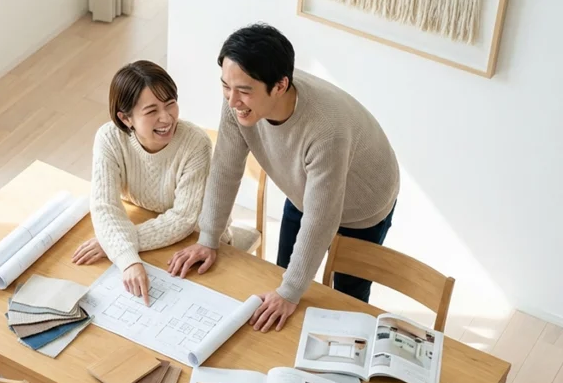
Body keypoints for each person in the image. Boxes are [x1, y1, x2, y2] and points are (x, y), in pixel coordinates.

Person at [168, 23, 400, 332]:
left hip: (365, 203)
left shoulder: (326, 130)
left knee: (347, 300)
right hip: (305, 191)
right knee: (282, 280)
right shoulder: (239, 101)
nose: (232, 100)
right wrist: (208, 238)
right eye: (226, 86)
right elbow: (225, 168)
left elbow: (321, 219)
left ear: (279, 86)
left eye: (244, 91)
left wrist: (290, 292)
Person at [73, 60, 230, 303]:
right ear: (126, 118)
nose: (166, 118)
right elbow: (105, 206)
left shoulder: (195, 143)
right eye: (151, 111)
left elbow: (184, 219)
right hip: (147, 228)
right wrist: (125, 256)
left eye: (170, 104)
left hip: (197, 240)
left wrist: (116, 244)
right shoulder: (110, 138)